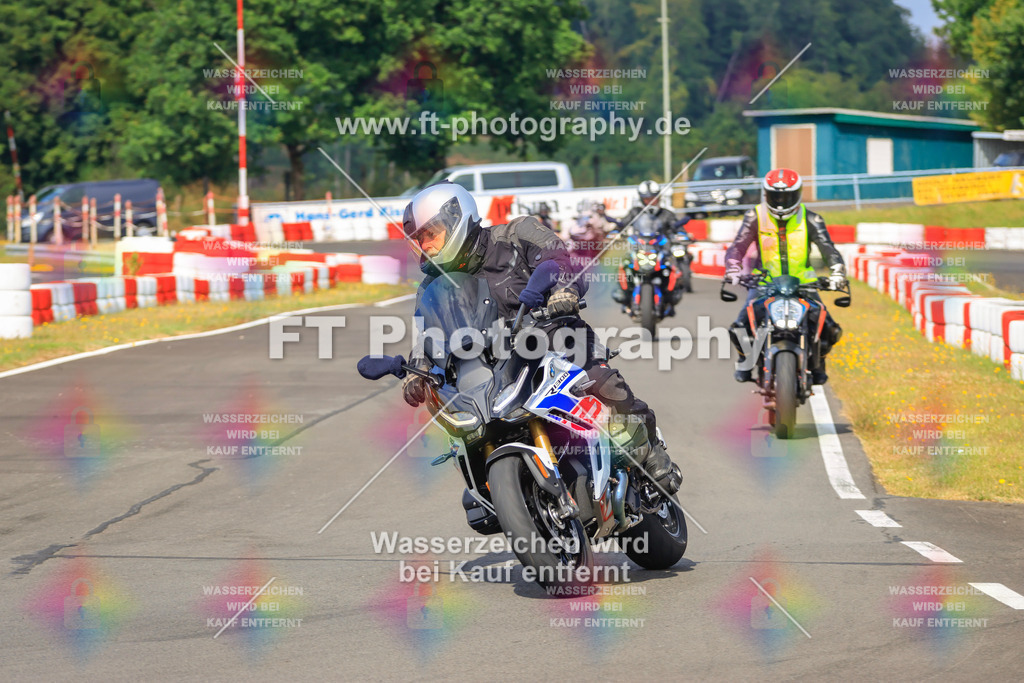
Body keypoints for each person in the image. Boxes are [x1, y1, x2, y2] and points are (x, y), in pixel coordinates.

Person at [399, 182, 682, 506]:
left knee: (601, 383)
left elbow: (560, 258)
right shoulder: (431, 285)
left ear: (456, 218)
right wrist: (416, 370)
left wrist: (565, 290)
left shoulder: (516, 234)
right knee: (464, 435)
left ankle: (650, 449)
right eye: (418, 239)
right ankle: (501, 488)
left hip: (551, 334)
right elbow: (427, 335)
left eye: (430, 234)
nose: (425, 245)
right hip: (496, 367)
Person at [723, 168, 846, 384]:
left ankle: (819, 362)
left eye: (786, 197)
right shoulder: (755, 216)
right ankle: (745, 360)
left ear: (797, 194)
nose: (780, 202)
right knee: (739, 326)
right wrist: (733, 268)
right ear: (766, 195)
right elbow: (737, 247)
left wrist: (837, 272)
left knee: (830, 328)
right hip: (765, 283)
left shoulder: (811, 218)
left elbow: (829, 249)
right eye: (775, 196)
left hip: (804, 284)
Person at [610, 180, 692, 308]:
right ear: (642, 199)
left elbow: (677, 227)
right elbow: (623, 224)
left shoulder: (666, 213)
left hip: (660, 249)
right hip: (639, 248)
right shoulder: (635, 212)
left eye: (653, 198)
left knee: (673, 265)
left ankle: (672, 290)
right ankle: (623, 290)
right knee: (623, 264)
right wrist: (615, 232)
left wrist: (681, 234)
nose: (650, 201)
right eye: (647, 199)